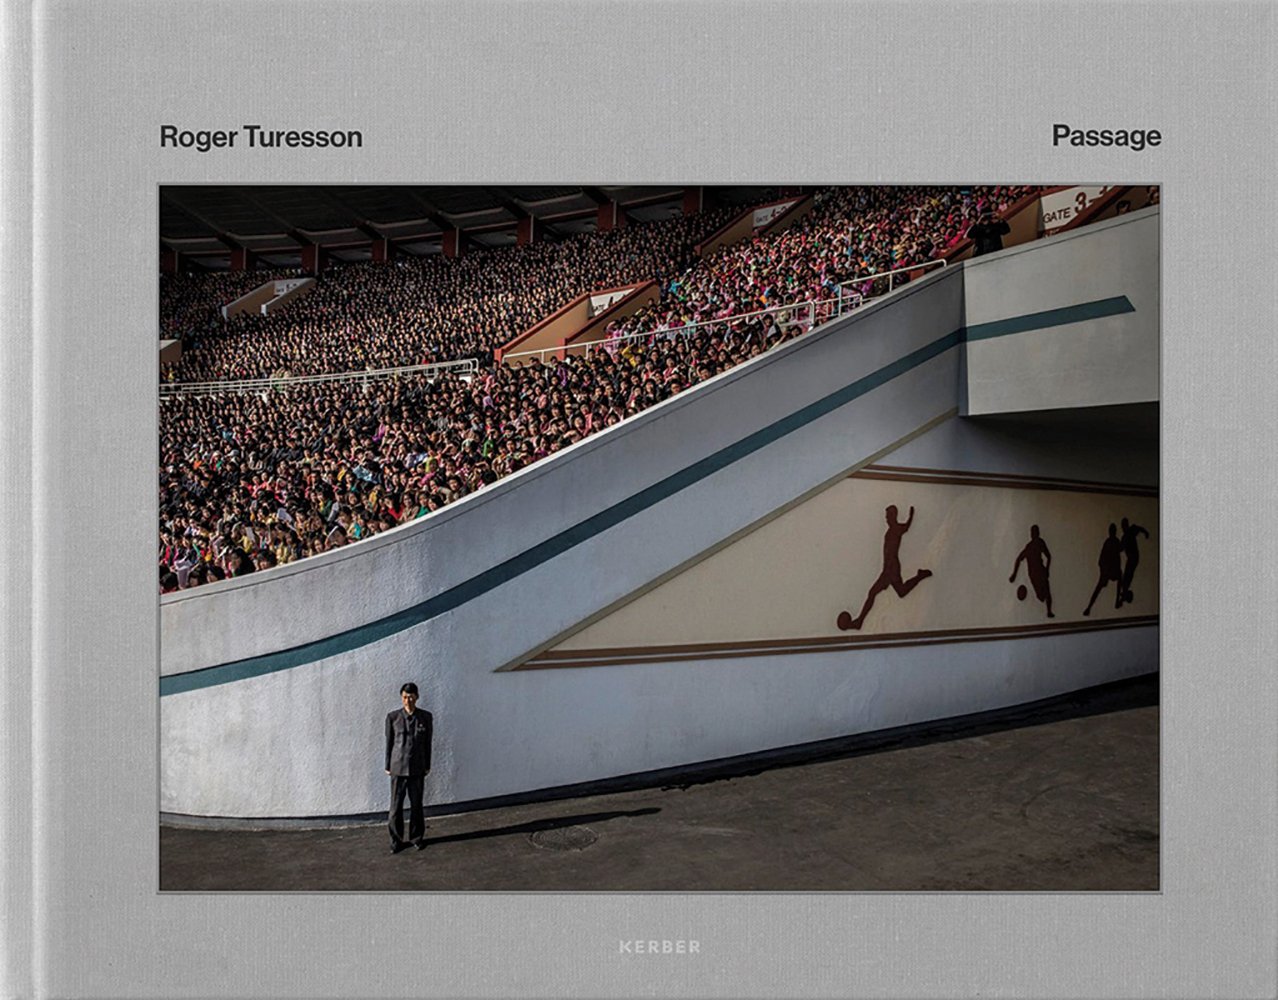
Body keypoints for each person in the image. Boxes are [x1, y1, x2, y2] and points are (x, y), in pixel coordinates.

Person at [838, 504, 932, 631]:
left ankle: (859, 621)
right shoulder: (891, 530)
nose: (886, 519)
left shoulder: (896, 529)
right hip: (888, 568)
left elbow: (906, 527)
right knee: (900, 591)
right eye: (886, 516)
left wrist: (911, 516)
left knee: (874, 593)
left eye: (888, 516)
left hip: (891, 569)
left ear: (893, 516)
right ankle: (920, 576)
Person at [385, 682, 433, 854]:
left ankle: (416, 837)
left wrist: (427, 764)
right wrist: (387, 765)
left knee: (416, 805)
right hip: (398, 768)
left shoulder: (425, 717)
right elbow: (389, 743)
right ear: (401, 697)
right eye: (405, 697)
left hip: (417, 768)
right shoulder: (393, 717)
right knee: (395, 807)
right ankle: (396, 841)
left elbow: (428, 743)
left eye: (411, 696)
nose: (408, 700)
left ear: (417, 697)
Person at [1010, 524, 1054, 618]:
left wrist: (1047, 569)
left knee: (1047, 591)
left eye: (1036, 532)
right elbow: (1019, 559)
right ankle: (1046, 606)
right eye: (1033, 533)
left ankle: (1049, 611)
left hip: (1041, 571)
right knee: (1041, 596)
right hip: (1033, 574)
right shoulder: (1029, 547)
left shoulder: (1040, 543)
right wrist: (1014, 574)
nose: (1034, 535)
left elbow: (1048, 556)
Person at [1083, 523, 1124, 616]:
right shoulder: (1109, 542)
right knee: (1099, 588)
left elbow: (1119, 550)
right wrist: (1103, 571)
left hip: (1113, 569)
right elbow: (1101, 559)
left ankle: (1117, 601)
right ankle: (1089, 607)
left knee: (1119, 579)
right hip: (1108, 569)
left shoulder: (1113, 541)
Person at [1117, 517, 1150, 606]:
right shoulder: (1126, 536)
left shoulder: (1130, 532)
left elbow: (1140, 529)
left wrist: (1146, 533)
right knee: (1128, 575)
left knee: (1128, 574)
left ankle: (1124, 592)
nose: (1123, 527)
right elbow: (1120, 548)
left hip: (1133, 558)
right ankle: (1124, 592)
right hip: (1132, 558)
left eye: (1124, 525)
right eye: (1122, 526)